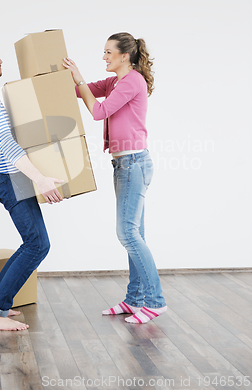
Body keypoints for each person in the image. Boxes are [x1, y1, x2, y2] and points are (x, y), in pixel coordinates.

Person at [0, 36, 64, 331]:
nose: (1, 60)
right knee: (38, 244)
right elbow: (5, 143)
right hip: (7, 177)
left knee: (32, 242)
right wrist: (41, 179)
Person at [63, 32, 167, 324]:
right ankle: (134, 299)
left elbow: (98, 111)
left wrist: (79, 79)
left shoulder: (133, 81)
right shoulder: (114, 82)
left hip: (134, 164)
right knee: (136, 235)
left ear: (125, 56)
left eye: (109, 52)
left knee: (128, 235)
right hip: (124, 164)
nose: (105, 57)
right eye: (104, 53)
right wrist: (60, 80)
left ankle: (156, 301)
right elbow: (80, 91)